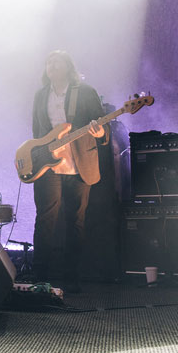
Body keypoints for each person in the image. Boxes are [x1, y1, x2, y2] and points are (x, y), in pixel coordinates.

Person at [30, 50, 108, 293]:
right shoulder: (41, 95)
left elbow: (102, 125)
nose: (51, 66)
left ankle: (72, 278)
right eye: (48, 62)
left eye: (57, 62)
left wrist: (100, 133)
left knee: (76, 221)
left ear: (68, 67)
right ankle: (40, 278)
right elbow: (37, 131)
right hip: (48, 165)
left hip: (78, 163)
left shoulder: (84, 92)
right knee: (45, 219)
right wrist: (37, 155)